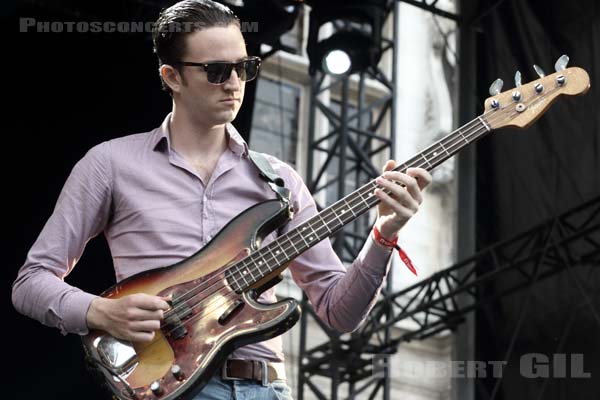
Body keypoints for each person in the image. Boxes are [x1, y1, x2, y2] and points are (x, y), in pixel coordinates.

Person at [12, 1, 431, 399]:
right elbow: (32, 283)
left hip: (266, 388)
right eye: (216, 70)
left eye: (244, 68)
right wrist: (100, 312)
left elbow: (340, 313)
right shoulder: (110, 163)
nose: (234, 83)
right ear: (172, 76)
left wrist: (384, 232)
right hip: (166, 386)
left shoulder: (279, 180)